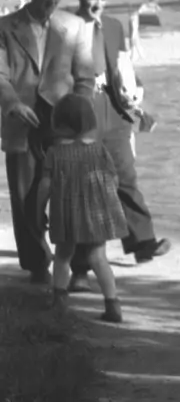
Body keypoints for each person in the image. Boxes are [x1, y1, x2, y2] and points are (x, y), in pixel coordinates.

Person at [68, 0, 170, 283]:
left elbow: (124, 68)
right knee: (85, 188)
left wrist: (136, 96)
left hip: (114, 109)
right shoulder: (64, 26)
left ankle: (142, 242)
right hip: (81, 108)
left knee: (126, 176)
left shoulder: (113, 26)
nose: (98, 3)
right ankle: (81, 265)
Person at [0, 0, 95, 284]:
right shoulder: (5, 27)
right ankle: (37, 264)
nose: (52, 0)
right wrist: (12, 103)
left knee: (74, 196)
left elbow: (85, 78)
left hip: (64, 123)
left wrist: (79, 117)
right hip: (20, 122)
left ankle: (80, 268)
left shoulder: (75, 26)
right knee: (25, 195)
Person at [45, 94, 126, 322]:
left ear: (58, 123)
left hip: (67, 215)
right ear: (90, 121)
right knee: (99, 258)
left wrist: (39, 208)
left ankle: (59, 302)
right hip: (96, 215)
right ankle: (112, 304)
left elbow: (45, 185)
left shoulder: (54, 154)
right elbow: (113, 180)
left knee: (63, 256)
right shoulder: (100, 151)